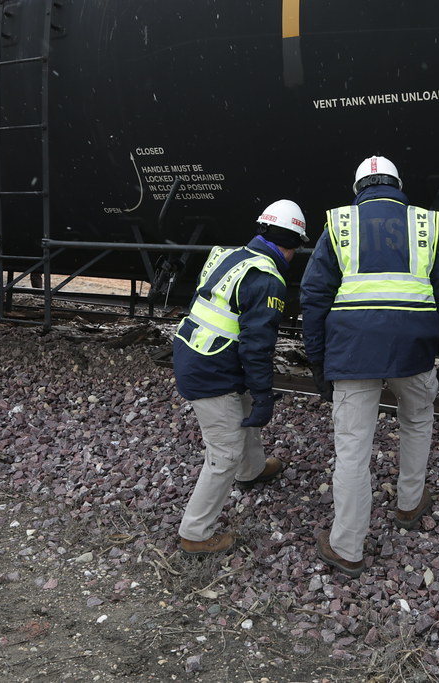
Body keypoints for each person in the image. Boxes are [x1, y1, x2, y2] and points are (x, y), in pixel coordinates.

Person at [301, 155, 439, 578]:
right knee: (417, 420)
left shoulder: (338, 225)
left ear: (358, 189)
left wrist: (318, 362)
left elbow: (314, 297)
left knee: (353, 449)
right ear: (398, 185)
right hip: (413, 350)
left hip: (353, 352)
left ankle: (347, 547)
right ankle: (409, 505)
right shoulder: (427, 225)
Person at [173, 199, 308, 556]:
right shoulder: (266, 279)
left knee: (243, 409)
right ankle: (195, 532)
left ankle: (252, 471)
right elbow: (257, 347)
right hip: (210, 368)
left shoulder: (229, 255)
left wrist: (255, 392)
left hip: (198, 350)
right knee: (224, 451)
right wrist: (265, 394)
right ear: (292, 245)